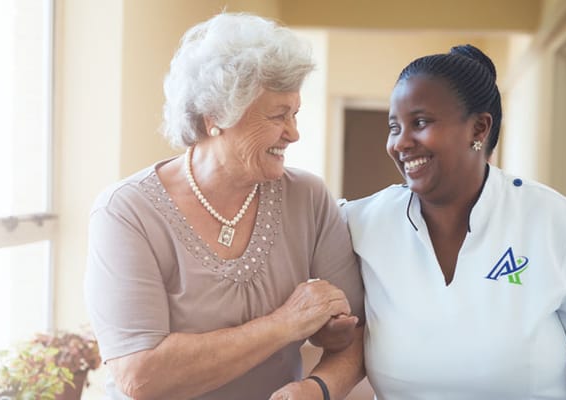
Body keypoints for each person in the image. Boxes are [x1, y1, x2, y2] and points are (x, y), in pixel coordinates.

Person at [84, 13, 365, 400]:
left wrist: (318, 387)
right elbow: (141, 376)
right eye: (278, 115)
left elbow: (359, 334)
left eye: (295, 113)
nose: (294, 133)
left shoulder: (309, 198)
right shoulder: (126, 213)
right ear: (214, 117)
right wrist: (286, 323)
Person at [342, 45, 566, 399]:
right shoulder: (361, 224)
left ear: (479, 128)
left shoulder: (557, 223)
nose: (400, 142)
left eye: (420, 123)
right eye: (394, 127)